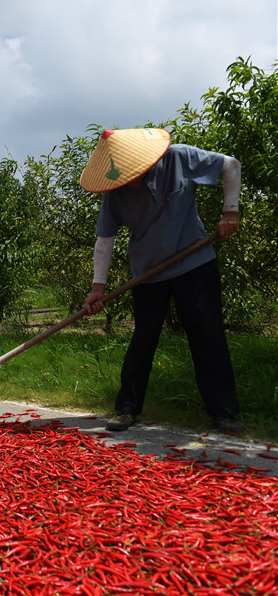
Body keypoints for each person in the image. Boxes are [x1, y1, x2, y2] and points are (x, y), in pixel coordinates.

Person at [79, 128, 244, 435]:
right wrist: (97, 288)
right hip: (147, 273)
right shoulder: (115, 191)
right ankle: (126, 409)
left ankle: (224, 411)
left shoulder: (178, 158)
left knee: (207, 336)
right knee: (144, 338)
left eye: (131, 174)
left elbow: (230, 165)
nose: (128, 182)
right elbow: (105, 239)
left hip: (195, 264)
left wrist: (229, 212)